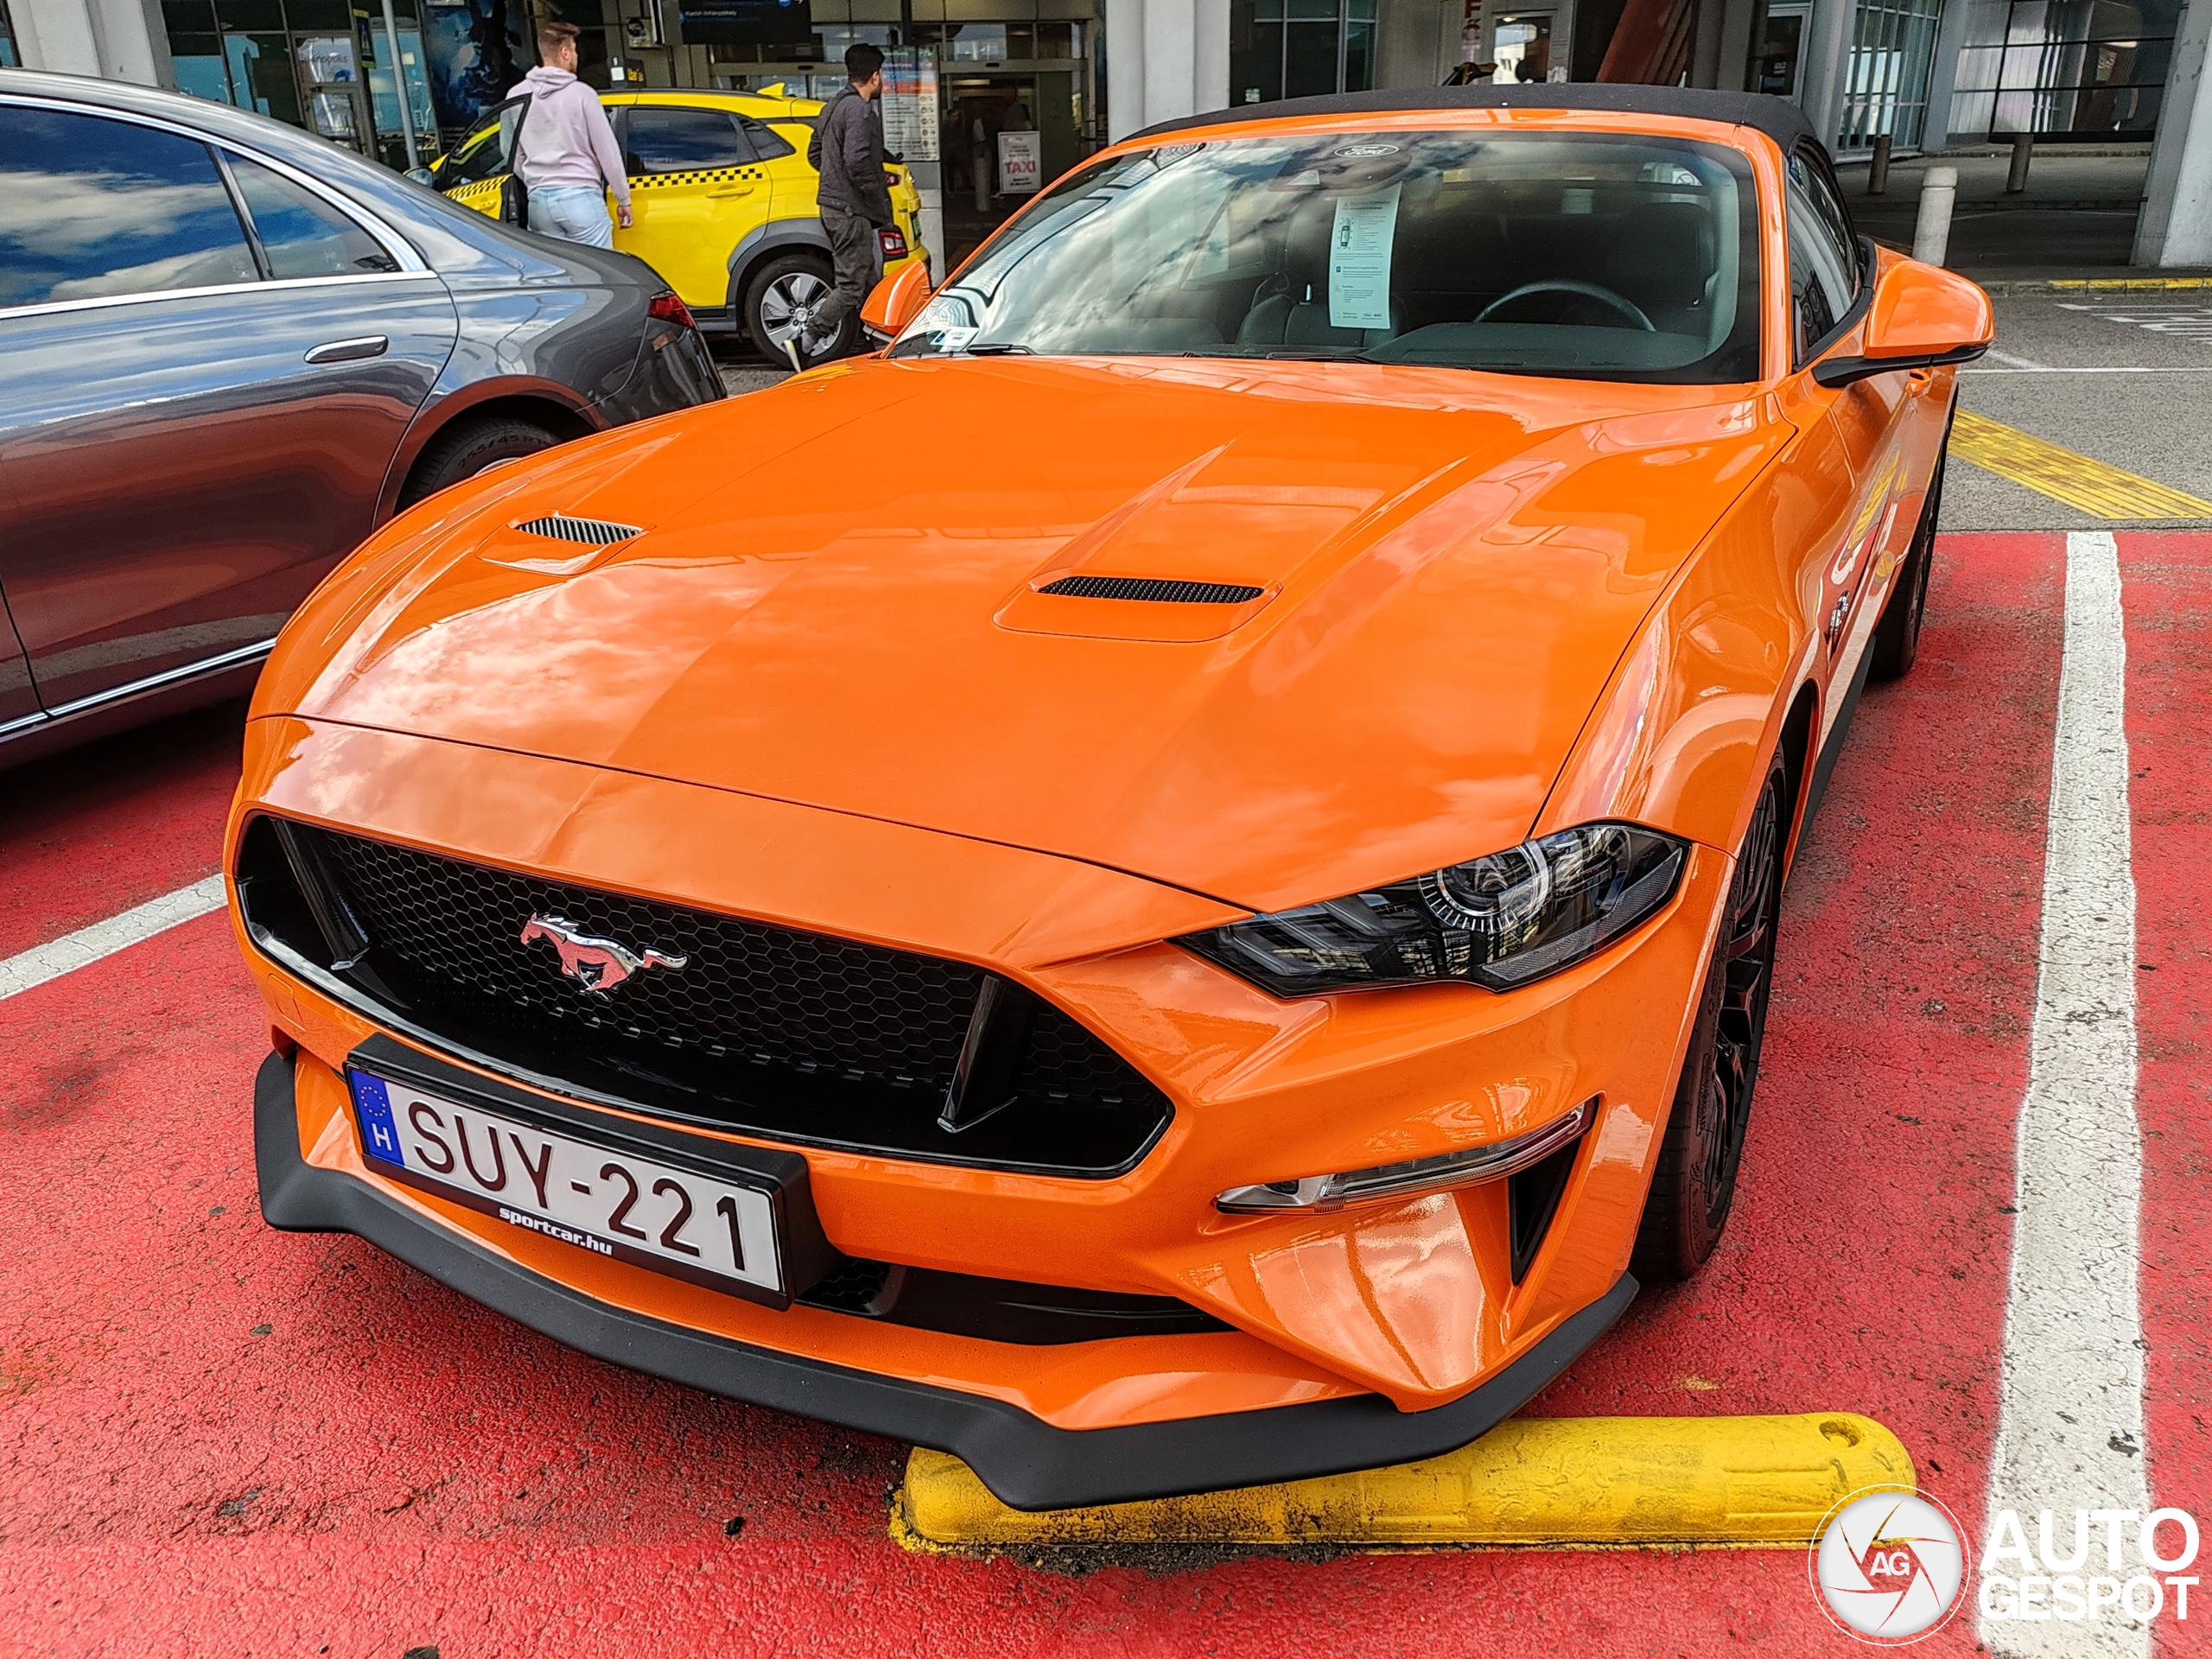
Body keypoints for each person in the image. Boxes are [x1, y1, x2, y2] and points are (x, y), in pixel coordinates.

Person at [798, 42, 894, 368]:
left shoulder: (833, 106)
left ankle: (879, 343)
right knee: (852, 284)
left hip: (834, 208)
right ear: (875, 76)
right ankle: (807, 338)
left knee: (867, 278)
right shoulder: (860, 110)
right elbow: (857, 161)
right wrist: (873, 193)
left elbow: (815, 154)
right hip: (851, 212)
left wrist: (834, 181)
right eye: (883, 77)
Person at [507, 22, 632, 250]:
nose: (576, 55)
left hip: (539, 204)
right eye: (574, 50)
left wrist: (537, 180)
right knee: (599, 273)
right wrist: (623, 199)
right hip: (580, 198)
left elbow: (511, 152)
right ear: (565, 53)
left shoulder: (516, 96)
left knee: (558, 275)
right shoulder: (583, 95)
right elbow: (607, 152)